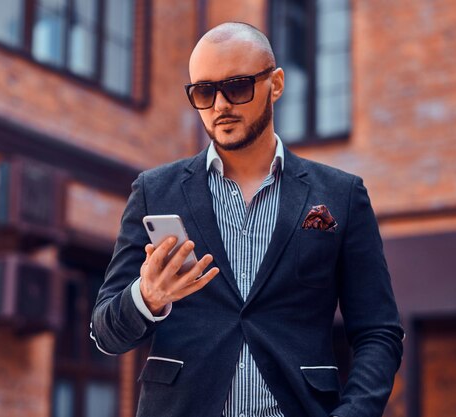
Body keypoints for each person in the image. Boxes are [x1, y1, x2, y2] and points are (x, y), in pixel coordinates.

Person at [91, 21, 404, 417]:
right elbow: (105, 333)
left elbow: (379, 331)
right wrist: (148, 297)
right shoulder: (155, 191)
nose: (220, 105)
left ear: (275, 84)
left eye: (237, 87)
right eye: (204, 92)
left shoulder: (341, 195)